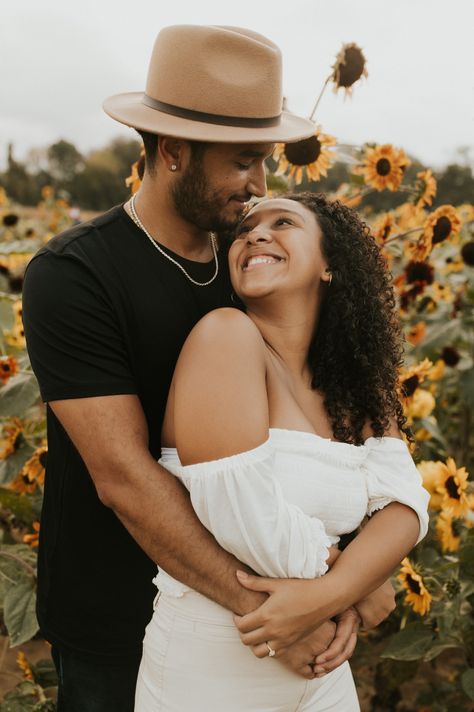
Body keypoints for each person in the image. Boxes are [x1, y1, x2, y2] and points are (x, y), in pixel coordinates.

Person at [22, 25, 381, 712]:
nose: (260, 186)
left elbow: (322, 405)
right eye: (244, 161)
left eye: (266, 160)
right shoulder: (76, 276)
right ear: (174, 152)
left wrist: (343, 579)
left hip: (263, 610)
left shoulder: (253, 263)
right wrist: (276, 616)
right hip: (121, 612)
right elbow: (124, 477)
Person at [134, 192, 430, 710]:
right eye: (245, 228)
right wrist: (352, 588)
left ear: (329, 266)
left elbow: (405, 506)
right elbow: (245, 514)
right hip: (217, 662)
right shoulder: (224, 336)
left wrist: (328, 599)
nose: (255, 234)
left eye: (283, 222)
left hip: (323, 665)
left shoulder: (356, 383)